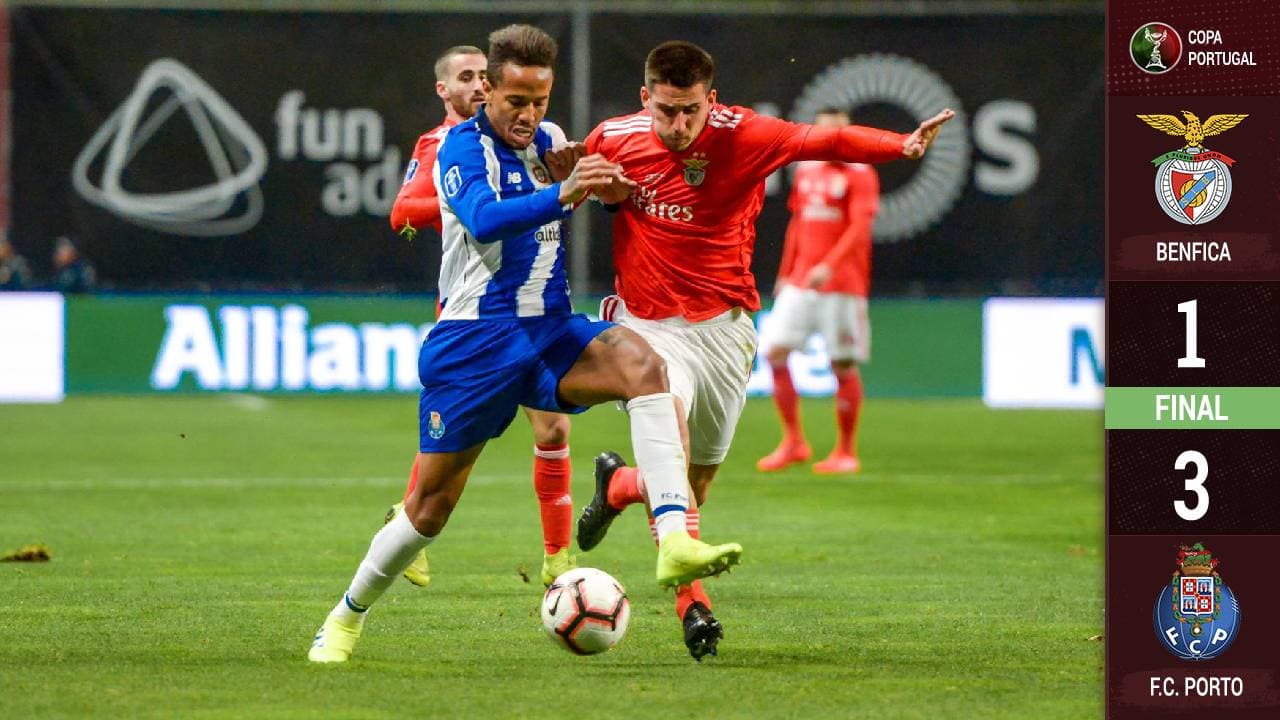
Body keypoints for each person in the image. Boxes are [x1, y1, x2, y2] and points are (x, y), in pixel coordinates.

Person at [308, 25, 743, 665]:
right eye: (516, 100)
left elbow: (596, 194)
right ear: (488, 90)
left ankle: (674, 537)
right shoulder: (458, 148)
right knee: (428, 510)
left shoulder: (551, 143)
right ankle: (345, 617)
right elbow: (483, 218)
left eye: (540, 100)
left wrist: (608, 190)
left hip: (548, 329)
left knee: (644, 365)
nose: (529, 114)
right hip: (474, 344)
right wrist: (563, 192)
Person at [574, 41, 952, 660]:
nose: (677, 125)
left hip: (724, 330)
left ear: (710, 100)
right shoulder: (612, 137)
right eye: (666, 111)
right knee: (667, 433)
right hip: (644, 329)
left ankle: (619, 486)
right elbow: (567, 180)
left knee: (693, 485)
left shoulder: (745, 133)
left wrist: (900, 145)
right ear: (646, 99)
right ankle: (692, 606)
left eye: (689, 110)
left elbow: (825, 143)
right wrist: (574, 176)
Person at [385, 44, 578, 590]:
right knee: (452, 446)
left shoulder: (536, 137)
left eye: (480, 76)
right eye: (463, 77)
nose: (474, 85)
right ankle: (410, 525)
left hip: (535, 306)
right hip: (475, 313)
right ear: (444, 91)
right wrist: (463, 202)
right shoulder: (442, 145)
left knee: (554, 424)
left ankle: (557, 555)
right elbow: (402, 212)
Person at [757, 107, 879, 474]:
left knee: (841, 362)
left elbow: (860, 227)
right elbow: (797, 222)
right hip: (800, 282)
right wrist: (786, 270)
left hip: (841, 285)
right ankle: (793, 440)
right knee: (775, 352)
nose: (833, 140)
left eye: (840, 133)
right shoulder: (806, 170)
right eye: (826, 133)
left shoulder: (861, 174)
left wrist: (831, 264)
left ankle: (846, 450)